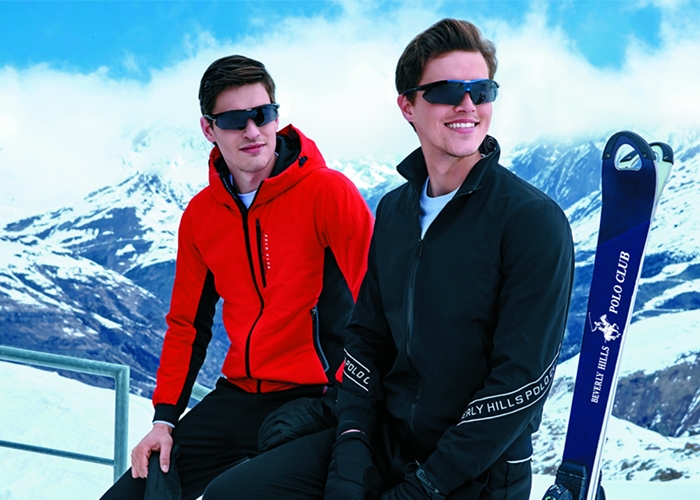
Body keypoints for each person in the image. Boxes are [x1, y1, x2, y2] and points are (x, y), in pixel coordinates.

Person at [203, 18, 574, 500]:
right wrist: (351, 453)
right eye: (447, 91)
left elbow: (519, 384)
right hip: (384, 444)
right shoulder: (396, 211)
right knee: (234, 493)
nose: (468, 105)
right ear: (408, 106)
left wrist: (424, 488)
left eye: (481, 91)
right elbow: (367, 339)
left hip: (475, 472)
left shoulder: (531, 221)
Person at [99, 55, 374, 500]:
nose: (252, 131)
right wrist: (164, 420)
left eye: (262, 115)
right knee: (131, 496)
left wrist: (342, 396)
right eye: (233, 120)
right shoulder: (201, 216)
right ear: (209, 129)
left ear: (276, 117)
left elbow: (380, 303)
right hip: (238, 396)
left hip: (317, 396)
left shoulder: (327, 193)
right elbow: (187, 326)